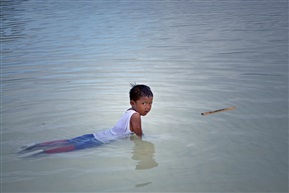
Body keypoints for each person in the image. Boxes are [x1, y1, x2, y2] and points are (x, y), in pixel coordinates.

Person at [18, 84, 153, 156]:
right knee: (73, 147)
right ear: (132, 103)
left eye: (150, 103)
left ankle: (37, 145)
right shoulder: (136, 116)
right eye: (144, 103)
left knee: (70, 141)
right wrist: (143, 144)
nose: (147, 107)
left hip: (99, 134)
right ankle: (43, 153)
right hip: (102, 139)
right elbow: (138, 133)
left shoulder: (129, 111)